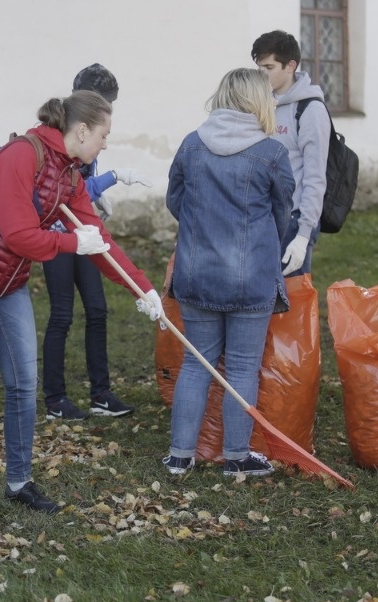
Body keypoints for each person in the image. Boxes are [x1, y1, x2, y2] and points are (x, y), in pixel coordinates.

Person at [0, 90, 163, 517]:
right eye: (104, 135)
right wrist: (72, 243)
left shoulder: (70, 175)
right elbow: (17, 234)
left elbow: (99, 241)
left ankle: (19, 481)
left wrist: (144, 290)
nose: (105, 144)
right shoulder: (21, 155)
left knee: (24, 382)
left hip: (8, 279)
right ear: (81, 129)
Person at [163, 68, 295, 476]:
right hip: (250, 278)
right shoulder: (272, 153)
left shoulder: (191, 144)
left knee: (194, 365)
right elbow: (283, 214)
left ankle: (179, 456)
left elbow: (175, 201)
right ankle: (236, 458)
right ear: (257, 101)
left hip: (196, 274)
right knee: (241, 368)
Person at [42, 63, 151, 421]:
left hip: (86, 236)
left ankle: (100, 393)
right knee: (61, 314)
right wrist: (112, 179)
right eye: (106, 104)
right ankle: (55, 397)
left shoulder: (92, 137)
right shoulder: (63, 137)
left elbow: (82, 193)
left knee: (98, 310)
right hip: (58, 239)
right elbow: (67, 192)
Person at [252, 29, 331, 276]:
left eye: (268, 67)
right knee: (260, 304)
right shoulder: (262, 102)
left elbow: (315, 177)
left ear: (290, 66)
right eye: (259, 68)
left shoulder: (310, 110)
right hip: (260, 214)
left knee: (291, 306)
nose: (262, 74)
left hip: (293, 219)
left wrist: (304, 234)